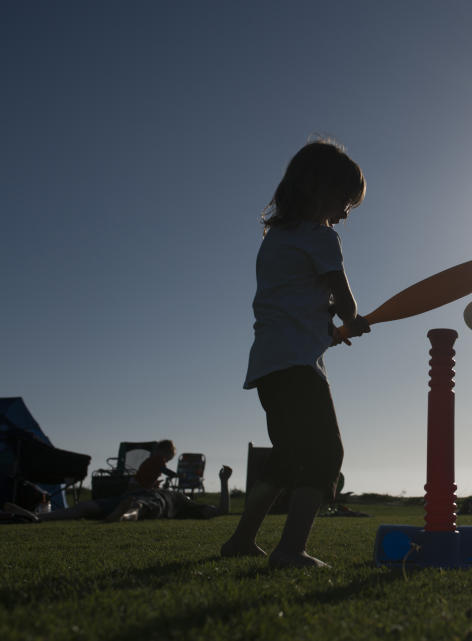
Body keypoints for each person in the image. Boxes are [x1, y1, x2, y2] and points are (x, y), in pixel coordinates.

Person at [220, 139, 371, 570]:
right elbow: (345, 303)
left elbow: (293, 300)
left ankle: (241, 539)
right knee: (326, 453)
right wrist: (351, 319)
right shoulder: (321, 236)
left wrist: (327, 327)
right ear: (320, 190)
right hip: (298, 367)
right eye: (345, 201)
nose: (345, 214)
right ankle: (290, 550)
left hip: (269, 365)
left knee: (287, 458)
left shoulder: (275, 240)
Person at [2, 465, 233, 522]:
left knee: (83, 509)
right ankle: (33, 517)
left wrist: (224, 482)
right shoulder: (179, 498)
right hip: (142, 497)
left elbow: (222, 510)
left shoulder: (187, 505)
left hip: (153, 500)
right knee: (84, 509)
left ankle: (37, 518)